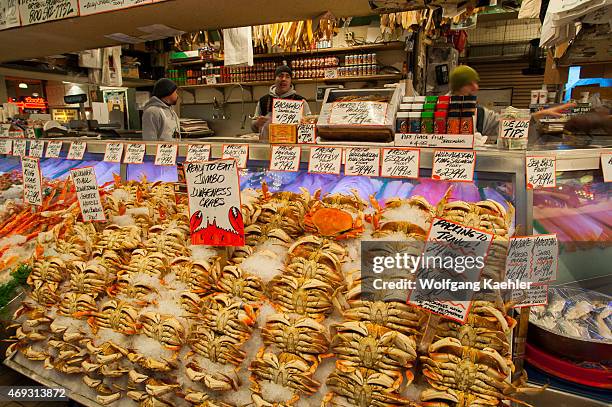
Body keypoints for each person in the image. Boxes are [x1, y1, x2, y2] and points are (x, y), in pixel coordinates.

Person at [449, 65, 573, 142]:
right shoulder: (434, 108)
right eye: (470, 83)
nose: (476, 87)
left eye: (476, 83)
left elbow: (504, 125)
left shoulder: (480, 113)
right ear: (459, 85)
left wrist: (538, 115)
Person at [251, 65, 311, 133]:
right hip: (267, 142)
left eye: (287, 77)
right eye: (280, 76)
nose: (284, 79)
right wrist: (257, 123)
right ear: (275, 79)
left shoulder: (301, 101)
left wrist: (306, 124)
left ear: (291, 80)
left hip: (293, 142)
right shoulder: (263, 101)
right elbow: (253, 127)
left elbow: (310, 124)